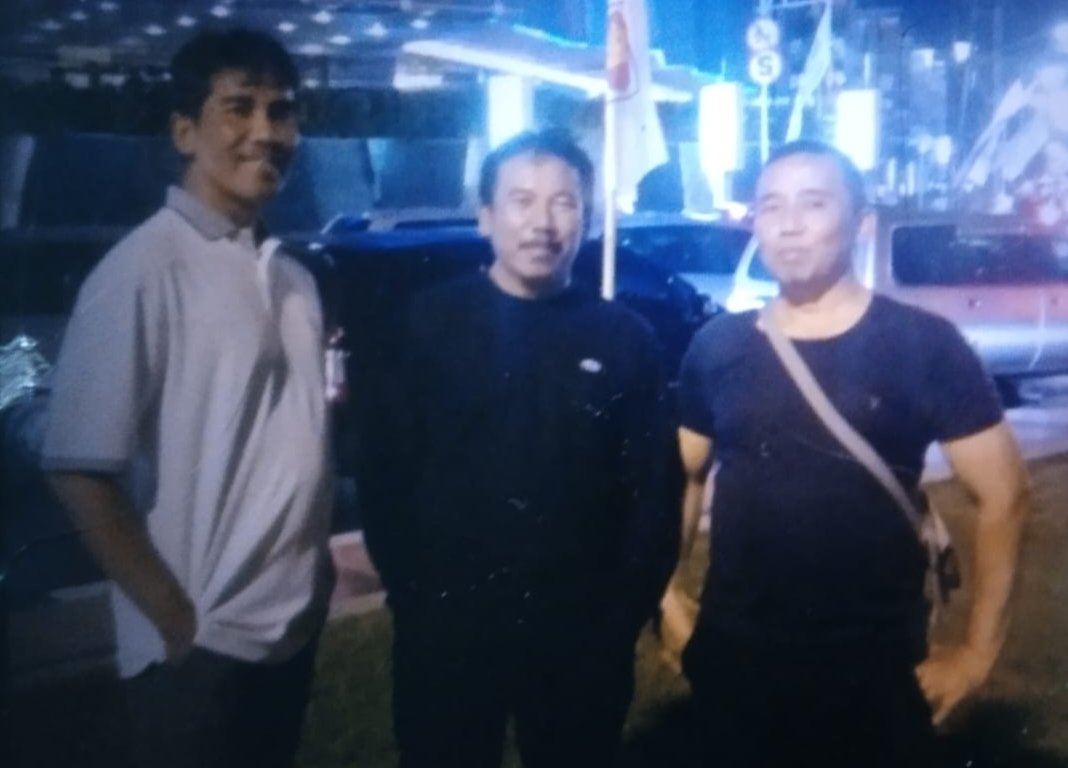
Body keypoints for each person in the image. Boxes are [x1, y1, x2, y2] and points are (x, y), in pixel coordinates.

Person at [676, 139, 1030, 768]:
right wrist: (667, 598)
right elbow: (683, 475)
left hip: (877, 666)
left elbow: (1005, 495)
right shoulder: (718, 345)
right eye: (771, 206)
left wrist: (977, 654)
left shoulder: (924, 344)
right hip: (737, 656)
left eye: (813, 203)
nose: (788, 224)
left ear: (862, 223)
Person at [42, 28, 333, 768]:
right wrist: (175, 618)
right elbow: (77, 465)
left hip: (288, 635)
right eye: (239, 107)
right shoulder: (142, 270)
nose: (265, 132)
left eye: (282, 111)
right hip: (200, 651)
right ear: (183, 132)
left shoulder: (294, 277)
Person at [360, 129, 679, 768]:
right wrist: (414, 598)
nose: (542, 222)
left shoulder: (625, 339)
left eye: (563, 202)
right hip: (447, 634)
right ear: (486, 215)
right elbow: (384, 475)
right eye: (522, 200)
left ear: (587, 218)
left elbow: (653, 497)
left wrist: (619, 622)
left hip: (579, 640)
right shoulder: (426, 324)